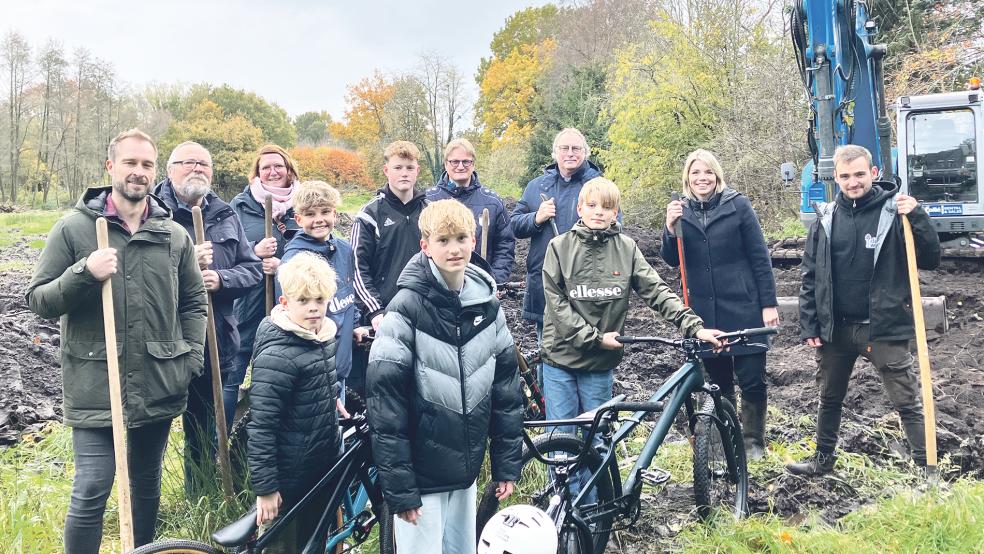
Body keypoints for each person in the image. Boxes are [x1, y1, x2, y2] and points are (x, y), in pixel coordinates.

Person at [25, 129, 208, 553]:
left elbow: (194, 303)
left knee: (145, 484)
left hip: (159, 379)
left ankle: (140, 550)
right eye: (130, 163)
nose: (138, 172)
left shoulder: (172, 234)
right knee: (92, 485)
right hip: (96, 381)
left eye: (146, 164)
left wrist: (190, 360)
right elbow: (38, 300)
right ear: (111, 167)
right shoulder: (74, 229)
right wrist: (84, 271)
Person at [366, 199, 523, 553]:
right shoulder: (405, 308)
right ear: (425, 245)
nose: (454, 249)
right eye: (443, 240)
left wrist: (505, 464)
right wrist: (401, 487)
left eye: (461, 238)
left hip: (465, 473)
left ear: (473, 239)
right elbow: (384, 405)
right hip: (421, 479)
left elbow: (506, 390)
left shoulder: (488, 305)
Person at [788, 144, 941, 476]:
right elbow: (810, 276)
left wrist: (917, 214)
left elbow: (930, 258)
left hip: (882, 326)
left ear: (873, 173)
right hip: (837, 330)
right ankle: (822, 459)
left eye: (859, 174)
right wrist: (810, 325)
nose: (852, 182)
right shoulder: (826, 218)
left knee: (907, 401)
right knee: (829, 398)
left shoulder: (895, 213)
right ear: (836, 178)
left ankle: (927, 469)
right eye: (845, 176)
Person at [542, 177, 722, 438]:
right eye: (592, 205)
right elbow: (557, 306)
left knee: (596, 441)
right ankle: (566, 481)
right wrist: (596, 338)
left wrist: (695, 327)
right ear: (580, 209)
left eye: (606, 207)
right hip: (560, 359)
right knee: (560, 442)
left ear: (615, 213)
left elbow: (656, 291)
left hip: (599, 364)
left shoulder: (626, 248)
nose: (598, 212)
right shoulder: (558, 248)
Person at [154, 141, 262, 494]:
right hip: (162, 345)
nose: (197, 168)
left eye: (204, 163)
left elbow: (252, 270)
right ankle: (147, 511)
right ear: (170, 169)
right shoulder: (153, 213)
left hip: (213, 341)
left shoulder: (223, 213)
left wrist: (221, 279)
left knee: (203, 430)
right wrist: (185, 264)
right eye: (188, 162)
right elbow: (138, 281)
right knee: (151, 434)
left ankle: (200, 498)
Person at [660, 149, 779, 459]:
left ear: (717, 176)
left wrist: (768, 304)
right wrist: (670, 229)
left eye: (708, 173)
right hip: (704, 312)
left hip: (744, 306)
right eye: (696, 173)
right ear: (687, 178)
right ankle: (722, 441)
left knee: (752, 378)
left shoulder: (737, 205)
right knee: (717, 382)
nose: (703, 178)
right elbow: (672, 259)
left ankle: (753, 442)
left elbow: (759, 256)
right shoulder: (679, 210)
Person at [248, 252, 341, 551]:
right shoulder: (279, 354)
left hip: (317, 469)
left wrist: (332, 398)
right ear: (285, 303)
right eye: (303, 300)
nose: (313, 308)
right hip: (287, 479)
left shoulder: (320, 338)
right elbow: (262, 426)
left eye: (319, 300)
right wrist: (266, 489)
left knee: (312, 544)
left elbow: (315, 383)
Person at [228, 145, 301, 432]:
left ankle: (266, 436)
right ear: (257, 173)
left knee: (274, 374)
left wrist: (282, 266)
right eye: (265, 167)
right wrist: (254, 251)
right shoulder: (240, 206)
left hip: (288, 308)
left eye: (278, 166)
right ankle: (223, 444)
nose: (272, 171)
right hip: (246, 305)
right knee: (233, 371)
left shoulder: (304, 204)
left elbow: (315, 252)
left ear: (289, 169)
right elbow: (227, 252)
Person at [511, 128, 605, 332]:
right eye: (564, 148)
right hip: (544, 283)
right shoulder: (536, 187)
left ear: (585, 153)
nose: (570, 153)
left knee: (586, 348)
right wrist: (536, 218)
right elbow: (515, 225)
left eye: (575, 148)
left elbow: (615, 229)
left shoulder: (599, 187)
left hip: (585, 284)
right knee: (546, 351)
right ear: (555, 153)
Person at [280, 180, 366, 401]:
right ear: (299, 219)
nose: (319, 219)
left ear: (335, 214)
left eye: (325, 211)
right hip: (314, 370)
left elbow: (349, 293)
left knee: (339, 431)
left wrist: (354, 325)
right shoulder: (295, 260)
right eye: (310, 214)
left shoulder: (345, 250)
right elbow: (293, 320)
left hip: (342, 361)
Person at [352, 140, 429, 332]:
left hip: (426, 311)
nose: (404, 173)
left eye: (410, 167)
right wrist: (375, 310)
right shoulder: (369, 215)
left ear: (417, 170)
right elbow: (356, 267)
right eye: (398, 167)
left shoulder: (431, 212)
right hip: (384, 314)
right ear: (386, 170)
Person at [426, 138, 515, 284]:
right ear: (446, 164)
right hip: (438, 286)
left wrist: (495, 281)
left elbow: (504, 245)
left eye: (466, 161)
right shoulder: (429, 200)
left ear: (473, 164)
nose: (460, 167)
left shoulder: (492, 202)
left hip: (480, 284)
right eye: (455, 162)